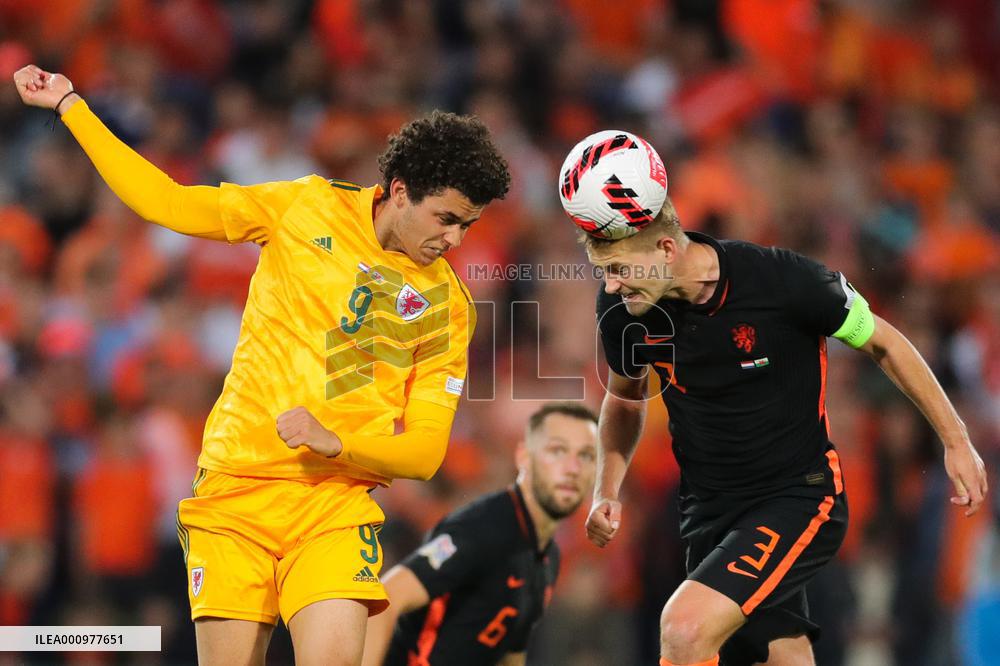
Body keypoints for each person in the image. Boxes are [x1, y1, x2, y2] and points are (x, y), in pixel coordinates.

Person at [13, 65, 510, 666]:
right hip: (236, 490)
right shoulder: (304, 207)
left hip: (333, 506)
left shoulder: (447, 306)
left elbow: (426, 452)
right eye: (446, 219)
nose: (455, 240)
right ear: (401, 191)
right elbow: (166, 202)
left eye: (467, 226)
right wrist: (71, 105)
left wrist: (337, 444)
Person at [579, 195, 988, 664]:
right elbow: (625, 398)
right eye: (603, 271)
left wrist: (956, 440)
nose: (610, 285)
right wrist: (606, 489)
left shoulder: (783, 281)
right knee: (781, 658)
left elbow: (884, 343)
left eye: (618, 269)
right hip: (709, 515)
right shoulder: (625, 311)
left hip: (797, 497)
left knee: (684, 629)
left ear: (667, 249)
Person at [361, 402, 598, 666]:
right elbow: (388, 597)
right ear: (524, 457)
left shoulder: (547, 558)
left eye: (586, 455)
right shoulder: (484, 527)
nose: (572, 468)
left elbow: (510, 654)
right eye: (557, 451)